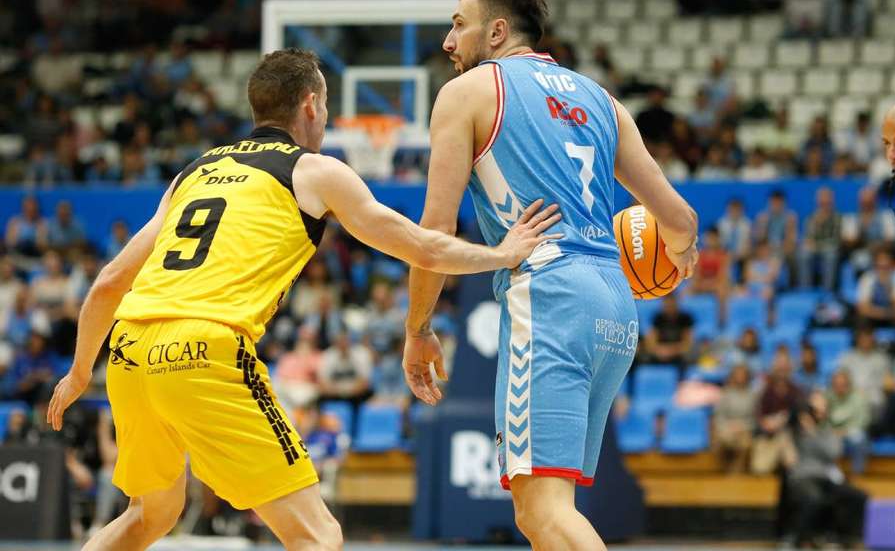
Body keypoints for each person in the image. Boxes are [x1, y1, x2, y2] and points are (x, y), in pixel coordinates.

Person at [46, 48, 560, 551]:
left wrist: (79, 372)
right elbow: (422, 246)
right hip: (204, 347)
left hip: (128, 353)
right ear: (311, 105)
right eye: (328, 105)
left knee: (147, 515)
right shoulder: (313, 170)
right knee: (318, 536)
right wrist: (503, 252)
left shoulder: (194, 172)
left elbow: (111, 280)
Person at [402, 0, 699, 550]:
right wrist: (680, 255)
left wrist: (418, 328)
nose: (447, 40)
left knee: (543, 513)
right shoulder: (602, 100)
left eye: (458, 23)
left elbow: (433, 233)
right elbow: (679, 218)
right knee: (546, 513)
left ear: (497, 31)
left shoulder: (468, 93)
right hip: (615, 299)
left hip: (548, 292)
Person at [786, 391, 868, 548]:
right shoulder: (795, 429)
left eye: (822, 409)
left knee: (859, 496)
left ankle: (849, 538)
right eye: (814, 409)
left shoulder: (827, 431)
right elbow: (788, 423)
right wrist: (802, 423)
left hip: (826, 478)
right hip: (803, 477)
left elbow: (833, 452)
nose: (818, 412)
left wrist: (813, 432)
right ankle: (801, 538)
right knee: (814, 499)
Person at [713, 364, 756, 472]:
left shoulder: (753, 395)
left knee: (745, 444)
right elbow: (719, 416)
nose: (740, 377)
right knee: (724, 440)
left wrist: (742, 426)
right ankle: (722, 471)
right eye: (737, 374)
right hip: (727, 429)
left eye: (742, 375)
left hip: (745, 430)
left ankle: (737, 473)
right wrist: (728, 427)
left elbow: (755, 419)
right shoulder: (726, 393)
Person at [798, 187, 842, 290]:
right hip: (814, 249)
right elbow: (807, 237)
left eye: (827, 199)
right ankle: (805, 289)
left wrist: (817, 245)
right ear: (818, 201)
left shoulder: (837, 217)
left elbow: (836, 239)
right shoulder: (811, 218)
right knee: (804, 254)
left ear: (831, 200)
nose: (824, 202)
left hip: (830, 248)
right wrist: (809, 243)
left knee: (831, 255)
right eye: (822, 200)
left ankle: (828, 290)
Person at [854, 246, 895, 328]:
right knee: (862, 320)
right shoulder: (867, 278)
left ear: (891, 265)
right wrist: (883, 313)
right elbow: (862, 308)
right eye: (880, 267)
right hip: (874, 316)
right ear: (875, 266)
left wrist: (888, 288)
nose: (883, 271)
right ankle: (865, 340)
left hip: (892, 317)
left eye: (886, 267)